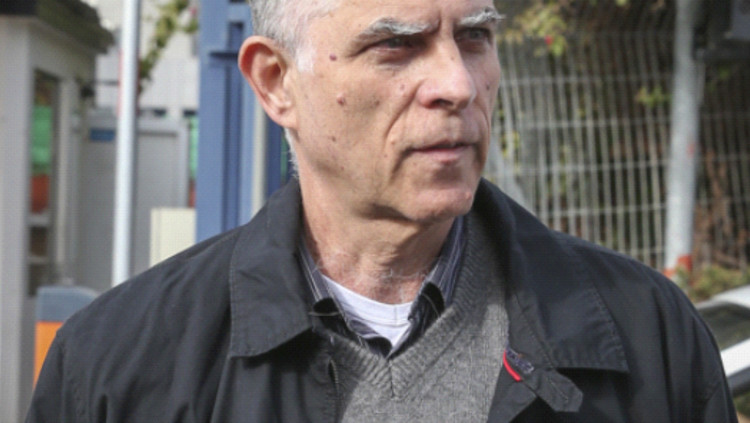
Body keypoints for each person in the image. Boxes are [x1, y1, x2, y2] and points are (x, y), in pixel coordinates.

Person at [28, 0, 736, 421]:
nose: (457, 84)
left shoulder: (648, 335)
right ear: (275, 83)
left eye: (475, 36)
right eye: (396, 45)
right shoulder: (119, 365)